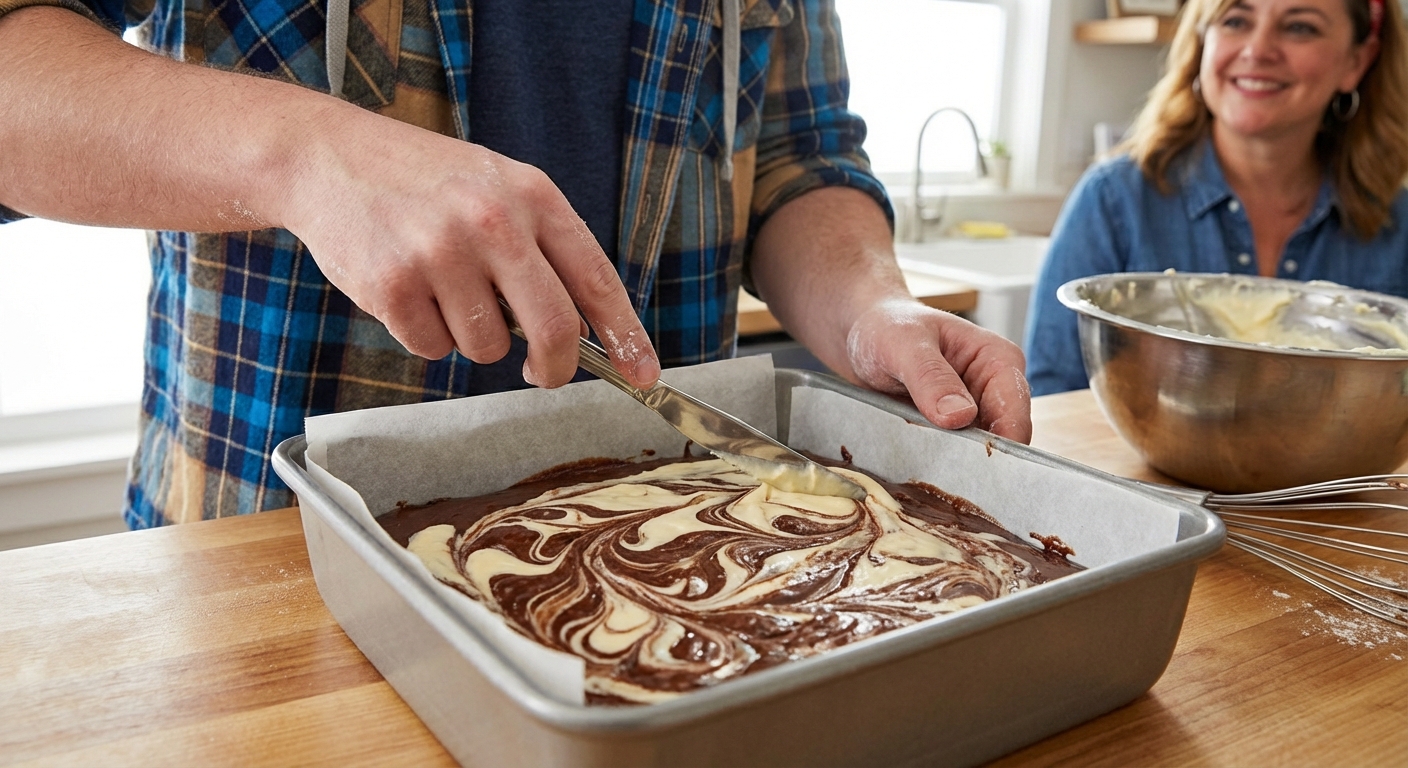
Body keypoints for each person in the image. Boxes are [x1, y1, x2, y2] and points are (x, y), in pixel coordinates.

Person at [0, 0, 1031, 528]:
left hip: (685, 542)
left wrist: (870, 304)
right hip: (264, 553)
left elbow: (800, 155)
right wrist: (306, 158)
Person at [1025, 0, 1408, 396]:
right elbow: (1052, 395)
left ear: (1356, 62)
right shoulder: (1113, 200)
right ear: (1202, 42)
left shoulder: (1400, 227)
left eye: (1300, 27)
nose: (1257, 50)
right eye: (1236, 21)